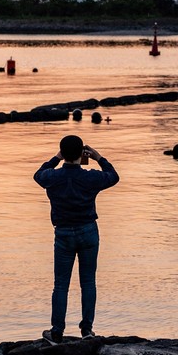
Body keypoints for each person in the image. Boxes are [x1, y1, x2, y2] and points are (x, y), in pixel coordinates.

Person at [34, 134, 119, 343]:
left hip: (63, 233)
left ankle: (56, 332)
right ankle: (87, 331)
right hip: (88, 231)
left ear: (63, 154)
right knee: (88, 282)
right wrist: (98, 158)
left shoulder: (52, 177)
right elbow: (113, 176)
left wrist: (56, 157)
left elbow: (38, 174)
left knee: (61, 285)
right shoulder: (90, 177)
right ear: (82, 153)